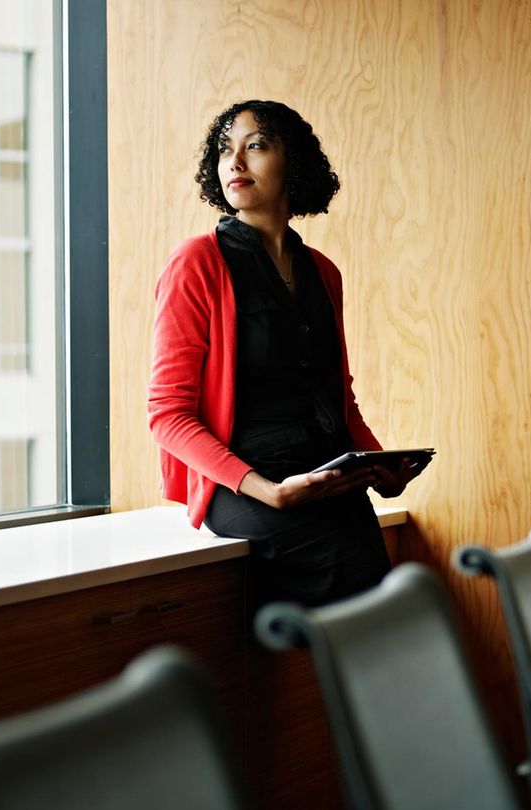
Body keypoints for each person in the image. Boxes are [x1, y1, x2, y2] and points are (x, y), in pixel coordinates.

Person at [148, 99, 422, 607]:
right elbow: (168, 414)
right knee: (375, 608)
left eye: (255, 145)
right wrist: (269, 490)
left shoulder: (323, 272)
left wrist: (379, 467)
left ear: (291, 161)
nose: (235, 161)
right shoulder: (196, 262)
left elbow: (339, 401)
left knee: (382, 605)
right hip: (245, 487)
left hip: (325, 477)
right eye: (224, 149)